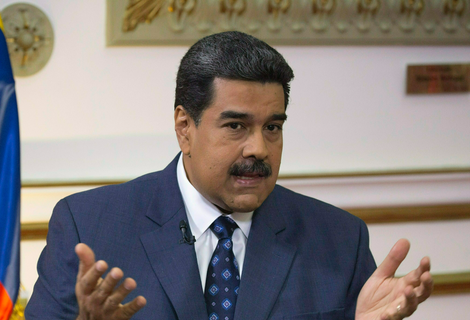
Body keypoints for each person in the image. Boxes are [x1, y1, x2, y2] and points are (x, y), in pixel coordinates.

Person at [24, 31, 433, 320]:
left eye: (272, 127)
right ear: (185, 127)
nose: (259, 148)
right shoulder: (90, 226)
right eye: (236, 126)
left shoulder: (340, 239)